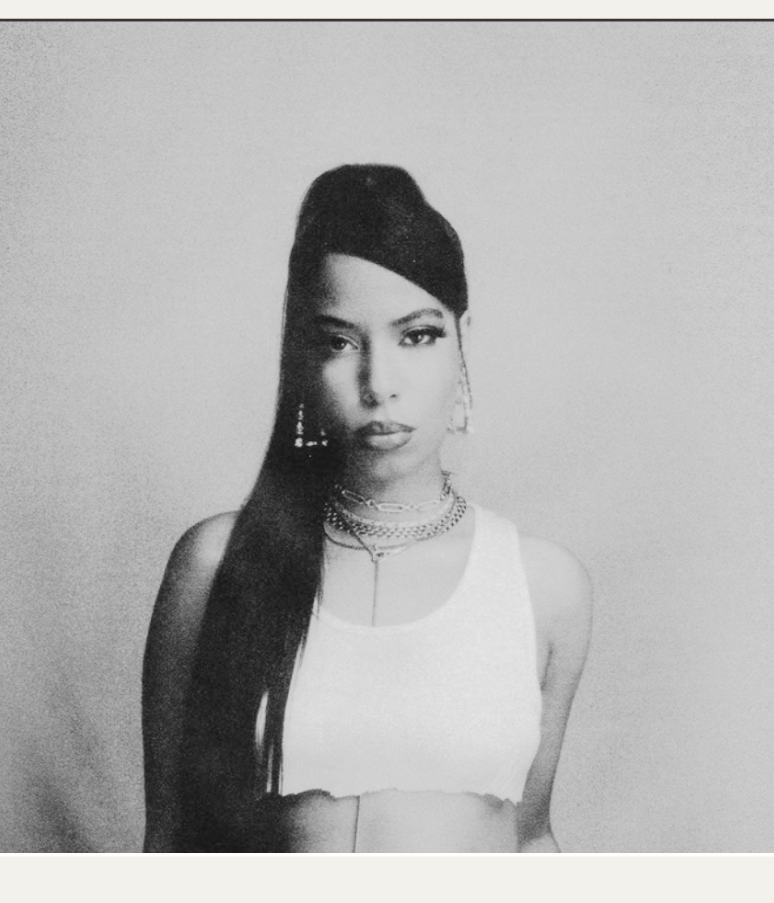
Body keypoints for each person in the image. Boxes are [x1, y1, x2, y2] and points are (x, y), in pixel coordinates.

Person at [142, 164, 592, 853]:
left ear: (463, 341)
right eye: (339, 342)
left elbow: (530, 838)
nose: (378, 383)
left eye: (417, 335)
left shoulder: (544, 588)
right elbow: (170, 847)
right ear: (302, 355)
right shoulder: (218, 565)